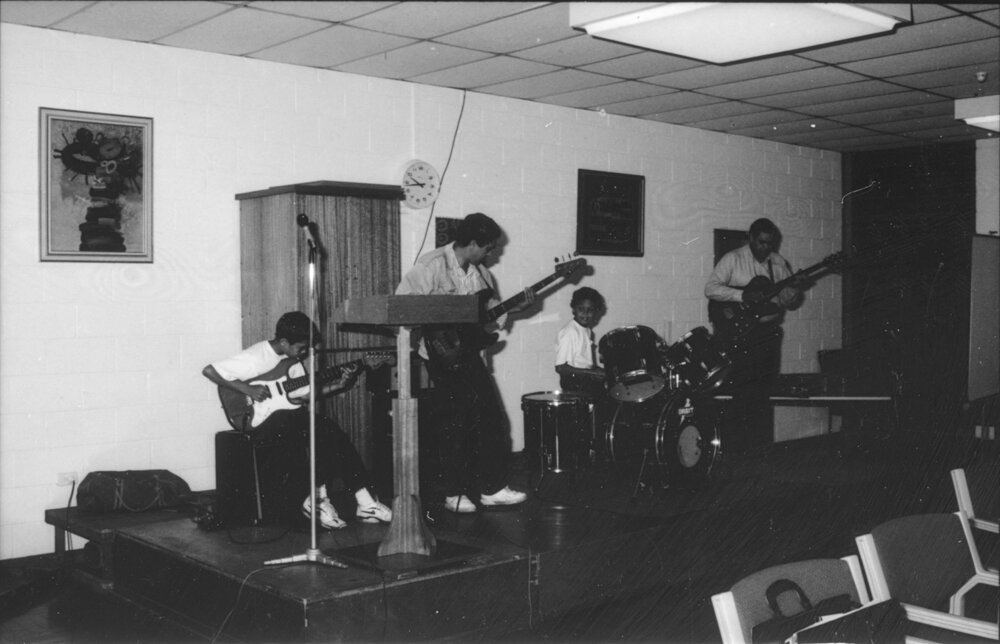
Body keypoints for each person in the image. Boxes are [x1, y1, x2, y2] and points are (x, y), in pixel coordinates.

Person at [202, 311, 391, 529]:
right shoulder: (256, 357)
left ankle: (363, 500)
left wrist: (339, 385)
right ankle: (319, 499)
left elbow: (303, 395)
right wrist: (247, 389)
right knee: (314, 426)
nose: (303, 354)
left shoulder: (290, 361)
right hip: (254, 418)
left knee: (327, 431)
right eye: (300, 348)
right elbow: (210, 371)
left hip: (285, 418)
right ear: (283, 341)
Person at [396, 212, 533, 514]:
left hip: (469, 357)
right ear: (472, 243)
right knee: (453, 425)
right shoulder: (431, 266)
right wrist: (441, 323)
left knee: (491, 420)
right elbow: (401, 305)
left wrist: (515, 307)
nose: (491, 253)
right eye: (488, 247)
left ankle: (492, 488)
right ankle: (453, 493)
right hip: (439, 356)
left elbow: (492, 317)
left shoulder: (481, 274)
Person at [705, 218, 803, 452]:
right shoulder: (733, 259)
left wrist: (793, 293)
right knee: (739, 392)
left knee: (763, 391)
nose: (765, 248)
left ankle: (759, 450)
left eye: (770, 243)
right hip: (740, 335)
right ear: (751, 238)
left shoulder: (778, 263)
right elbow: (711, 288)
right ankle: (735, 449)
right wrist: (741, 297)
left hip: (767, 333)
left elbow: (787, 301)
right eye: (760, 242)